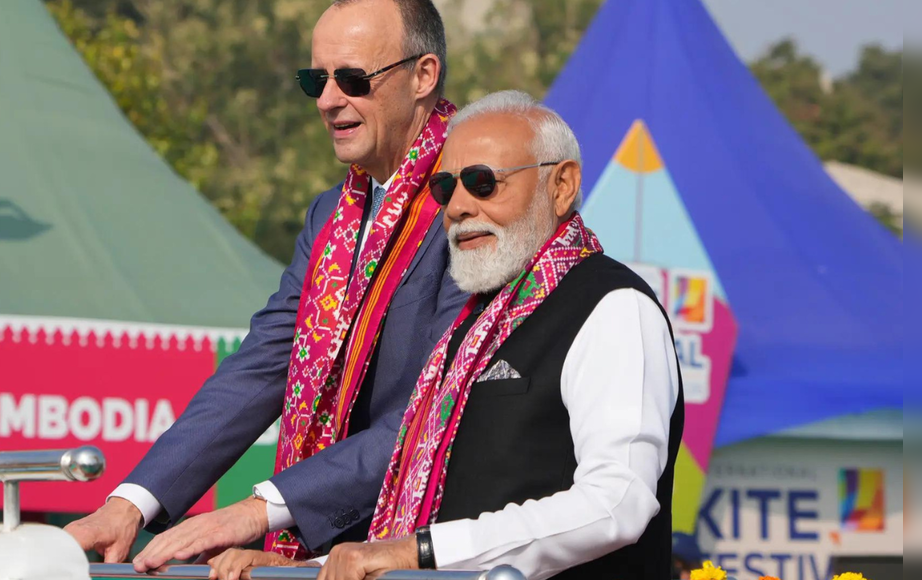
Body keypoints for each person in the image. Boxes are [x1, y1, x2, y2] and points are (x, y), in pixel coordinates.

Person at [207, 90, 685, 580]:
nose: (457, 207)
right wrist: (303, 570)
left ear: (561, 185)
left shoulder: (611, 307)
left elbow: (617, 502)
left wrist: (419, 553)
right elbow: (432, 524)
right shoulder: (474, 326)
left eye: (483, 183)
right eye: (444, 188)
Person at [64, 0, 468, 570]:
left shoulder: (473, 205)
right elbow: (261, 365)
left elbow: (433, 411)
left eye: (352, 79)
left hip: (434, 549)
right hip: (328, 549)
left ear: (424, 75)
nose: (329, 100)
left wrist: (259, 509)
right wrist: (131, 503)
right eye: (316, 79)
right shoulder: (332, 215)